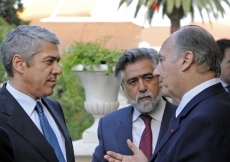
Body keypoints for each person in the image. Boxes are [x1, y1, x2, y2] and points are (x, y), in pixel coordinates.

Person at [104, 25, 230, 162]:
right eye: (132, 81)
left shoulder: (202, 120)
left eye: (162, 60)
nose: (156, 72)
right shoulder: (211, 106)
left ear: (186, 60)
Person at [0, 25, 75, 162]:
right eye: (49, 61)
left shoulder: (55, 107)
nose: (58, 70)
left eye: (57, 61)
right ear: (19, 63)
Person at [92, 48, 176, 162]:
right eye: (133, 82)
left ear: (160, 78)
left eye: (148, 78)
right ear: (123, 89)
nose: (142, 88)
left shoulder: (184, 119)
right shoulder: (108, 126)